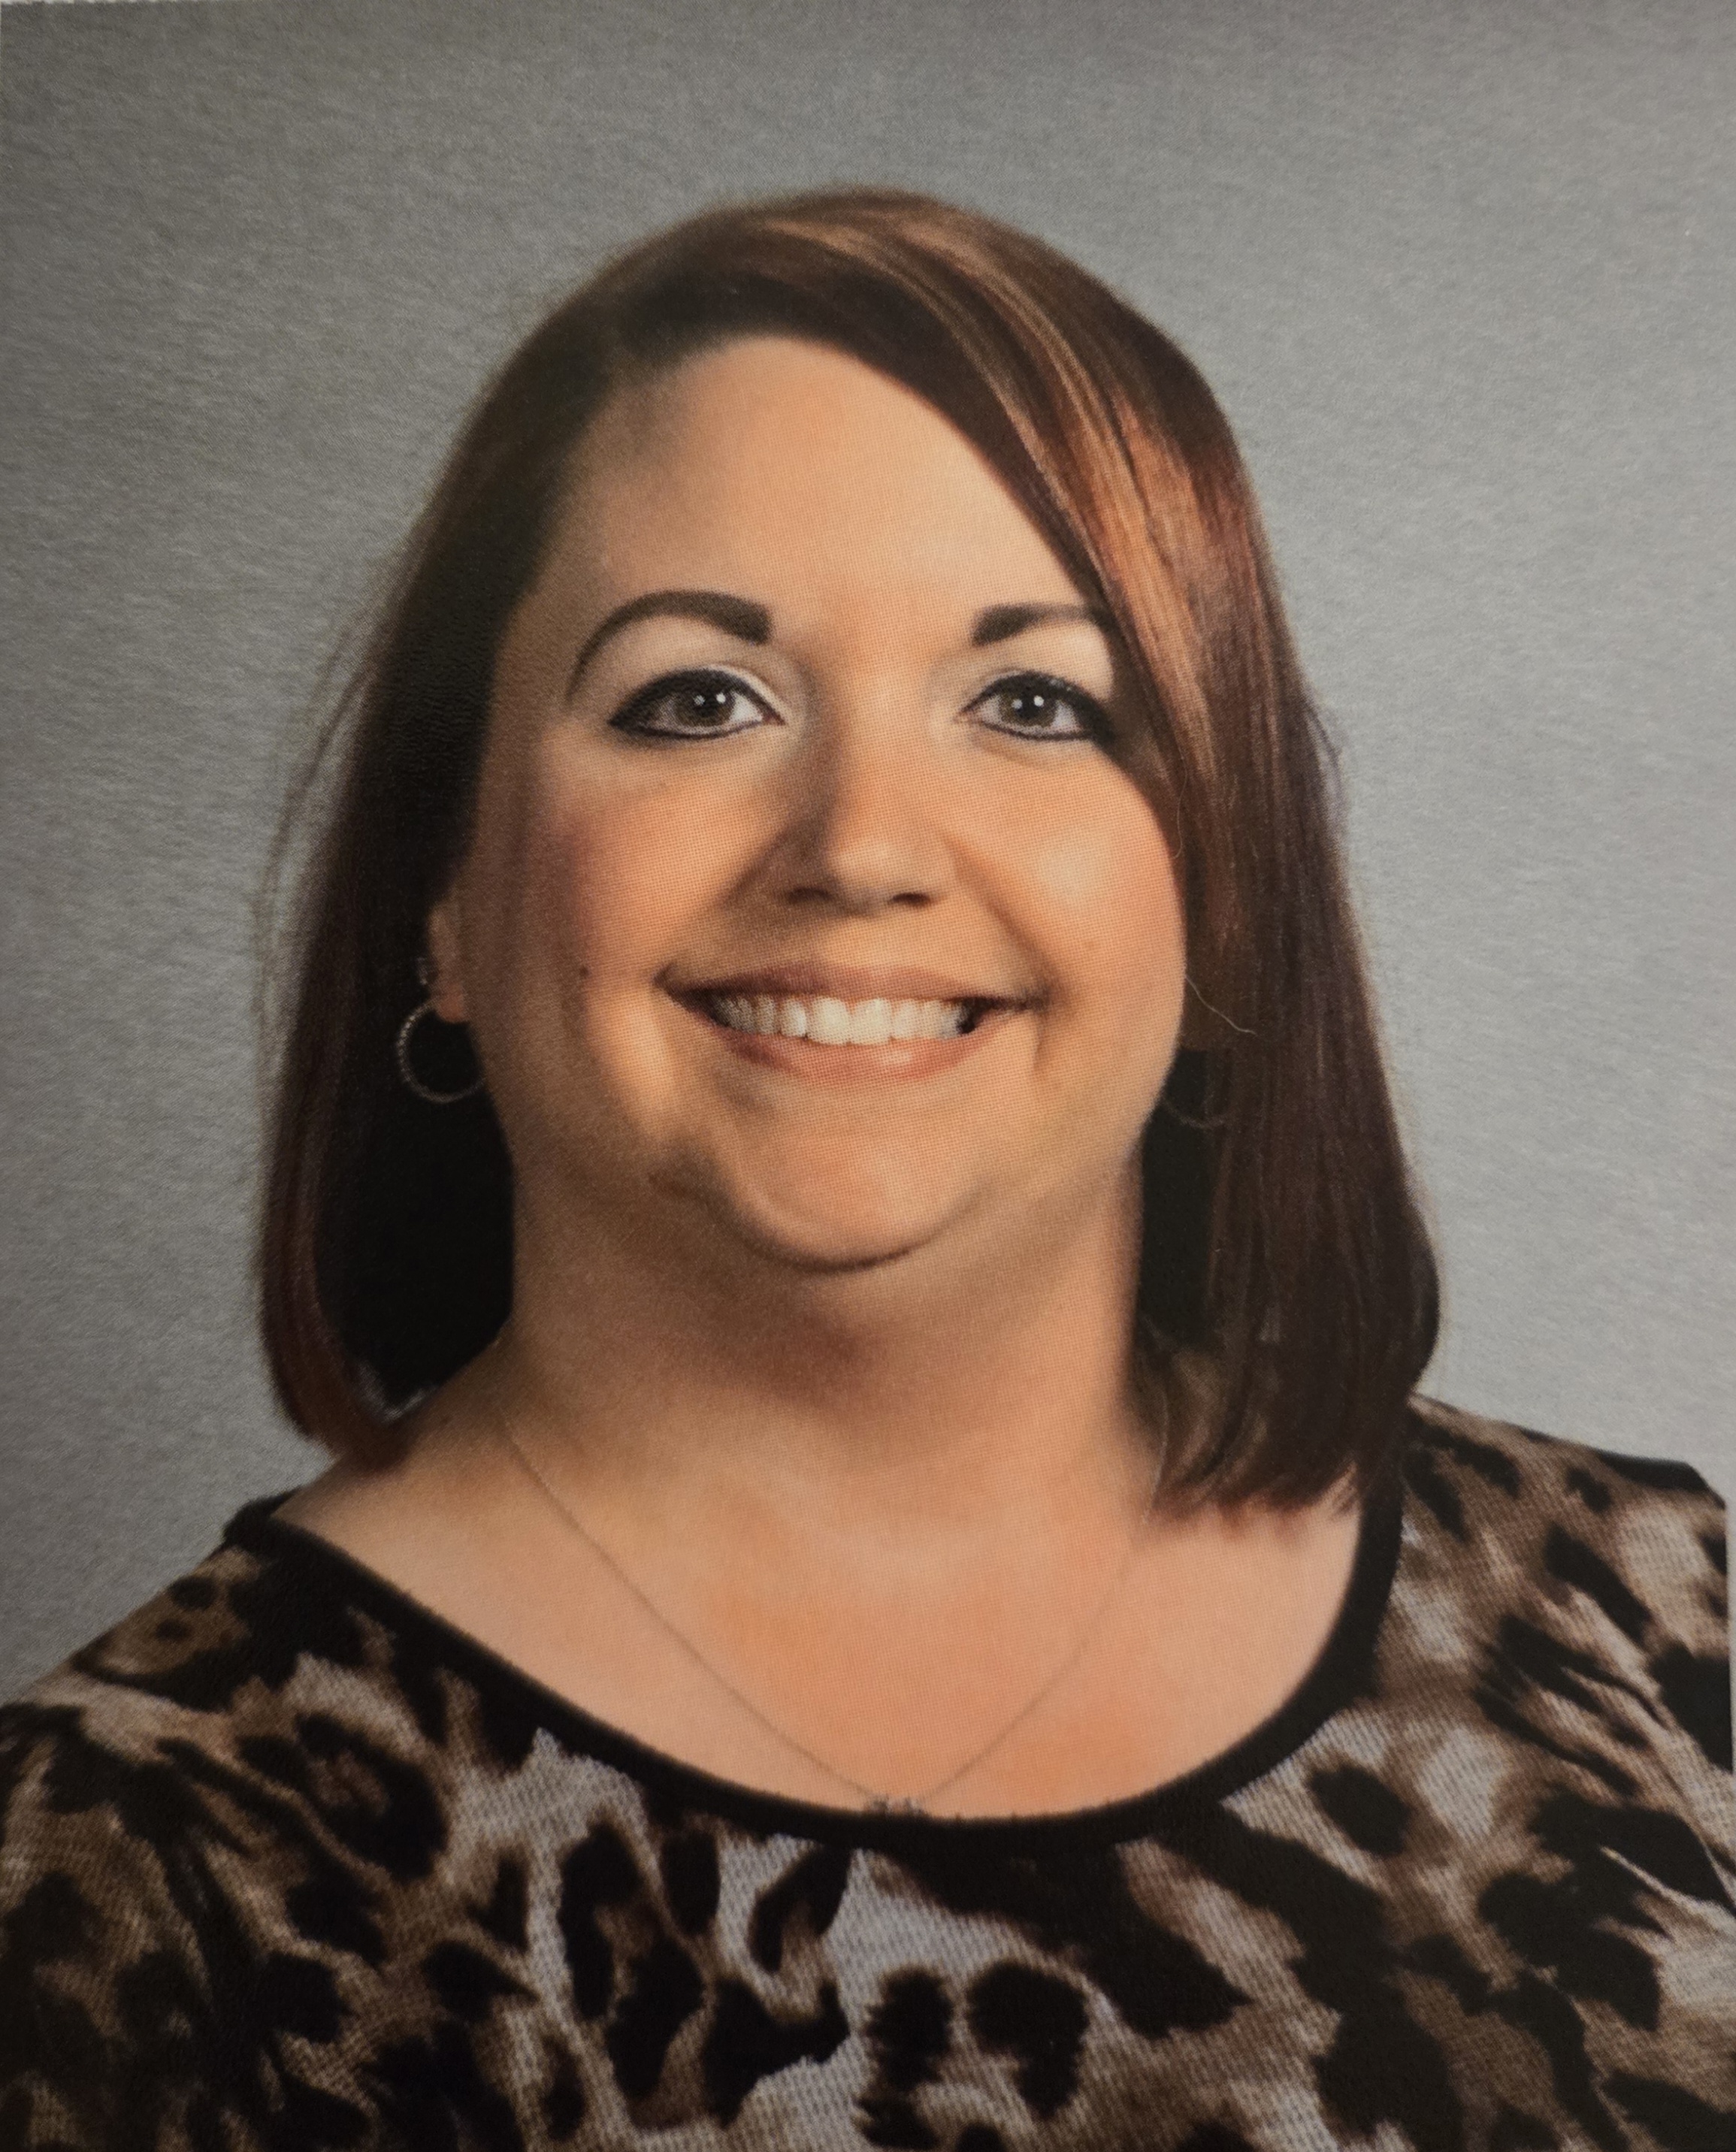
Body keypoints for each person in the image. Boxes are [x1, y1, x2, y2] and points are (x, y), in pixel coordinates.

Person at [1, 189, 1729, 2152]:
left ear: (1227, 906)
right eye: (695, 699)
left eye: (1035, 703)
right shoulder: (124, 1878)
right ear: (448, 902)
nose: (860, 842)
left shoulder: (1663, 1620)